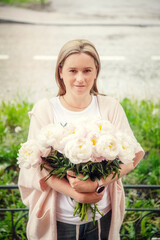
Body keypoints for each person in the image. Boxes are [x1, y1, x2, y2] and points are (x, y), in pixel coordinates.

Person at [18, 39, 144, 240]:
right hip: (59, 220)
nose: (80, 78)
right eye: (72, 70)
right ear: (60, 71)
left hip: (102, 216)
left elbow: (130, 158)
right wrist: (75, 193)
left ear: (96, 71)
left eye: (87, 70)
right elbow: (38, 165)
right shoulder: (45, 110)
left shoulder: (110, 107)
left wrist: (97, 183)